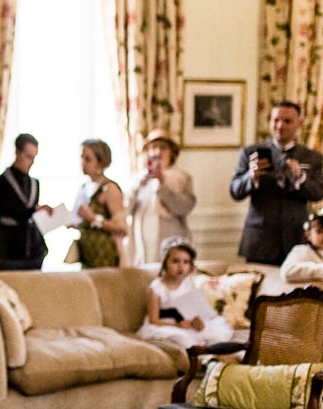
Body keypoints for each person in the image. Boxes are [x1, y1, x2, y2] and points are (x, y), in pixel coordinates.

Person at [229, 101, 323, 265]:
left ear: (299, 124)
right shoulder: (250, 153)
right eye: (276, 120)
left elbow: (318, 193)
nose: (280, 126)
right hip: (259, 241)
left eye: (287, 121)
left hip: (297, 239)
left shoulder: (312, 157)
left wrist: (300, 177)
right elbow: (235, 192)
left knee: (298, 291)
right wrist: (251, 176)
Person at [136, 237, 233, 347]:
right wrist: (177, 325)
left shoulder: (187, 284)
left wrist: (197, 321)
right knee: (182, 339)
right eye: (175, 261)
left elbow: (194, 310)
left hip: (185, 323)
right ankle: (205, 359)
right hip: (165, 325)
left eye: (186, 262)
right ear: (165, 263)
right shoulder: (156, 288)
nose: (181, 267)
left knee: (216, 332)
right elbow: (154, 320)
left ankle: (218, 351)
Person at [126, 129, 196, 265]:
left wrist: (162, 184)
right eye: (153, 147)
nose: (158, 152)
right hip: (142, 242)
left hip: (169, 238)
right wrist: (138, 187)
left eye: (163, 148)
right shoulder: (137, 178)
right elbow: (125, 209)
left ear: (171, 152)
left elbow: (184, 208)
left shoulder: (181, 178)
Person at [0, 133, 52, 271]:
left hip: (34, 253)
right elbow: (6, 214)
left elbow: (31, 217)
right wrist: (34, 210)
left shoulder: (35, 184)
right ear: (17, 152)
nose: (31, 162)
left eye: (34, 158)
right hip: (10, 254)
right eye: (28, 157)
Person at [66, 139, 128, 267]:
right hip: (87, 256)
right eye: (81, 158)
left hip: (105, 257)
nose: (82, 163)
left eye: (88, 159)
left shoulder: (109, 188)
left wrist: (94, 218)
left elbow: (122, 227)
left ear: (100, 162)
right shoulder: (84, 188)